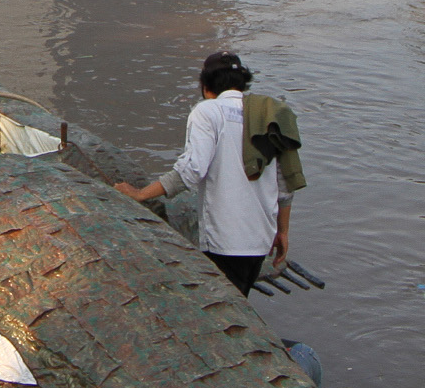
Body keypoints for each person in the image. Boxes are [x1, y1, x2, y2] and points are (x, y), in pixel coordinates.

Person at [115, 53, 300, 297]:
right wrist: (283, 232)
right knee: (239, 300)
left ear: (206, 86)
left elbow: (192, 170)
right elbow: (284, 184)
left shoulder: (207, 111)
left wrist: (140, 194)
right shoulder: (268, 113)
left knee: (224, 301)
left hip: (226, 241)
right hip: (260, 240)